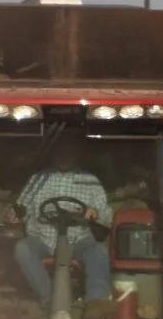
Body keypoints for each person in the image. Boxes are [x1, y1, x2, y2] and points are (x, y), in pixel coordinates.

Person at [12, 132, 111, 308]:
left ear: (77, 155)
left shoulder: (90, 181)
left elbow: (105, 213)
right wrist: (16, 214)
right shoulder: (38, 179)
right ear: (53, 154)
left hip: (78, 239)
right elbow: (22, 207)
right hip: (43, 238)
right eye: (61, 152)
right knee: (22, 248)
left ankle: (97, 304)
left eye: (69, 152)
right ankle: (49, 298)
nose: (64, 156)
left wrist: (95, 212)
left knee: (99, 250)